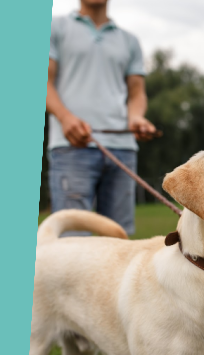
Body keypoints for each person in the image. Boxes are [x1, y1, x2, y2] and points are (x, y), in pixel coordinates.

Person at [46, 0, 160, 236]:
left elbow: (137, 92)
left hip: (123, 149)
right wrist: (65, 118)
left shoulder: (129, 40)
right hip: (71, 148)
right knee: (71, 241)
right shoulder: (55, 27)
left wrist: (136, 117)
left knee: (119, 240)